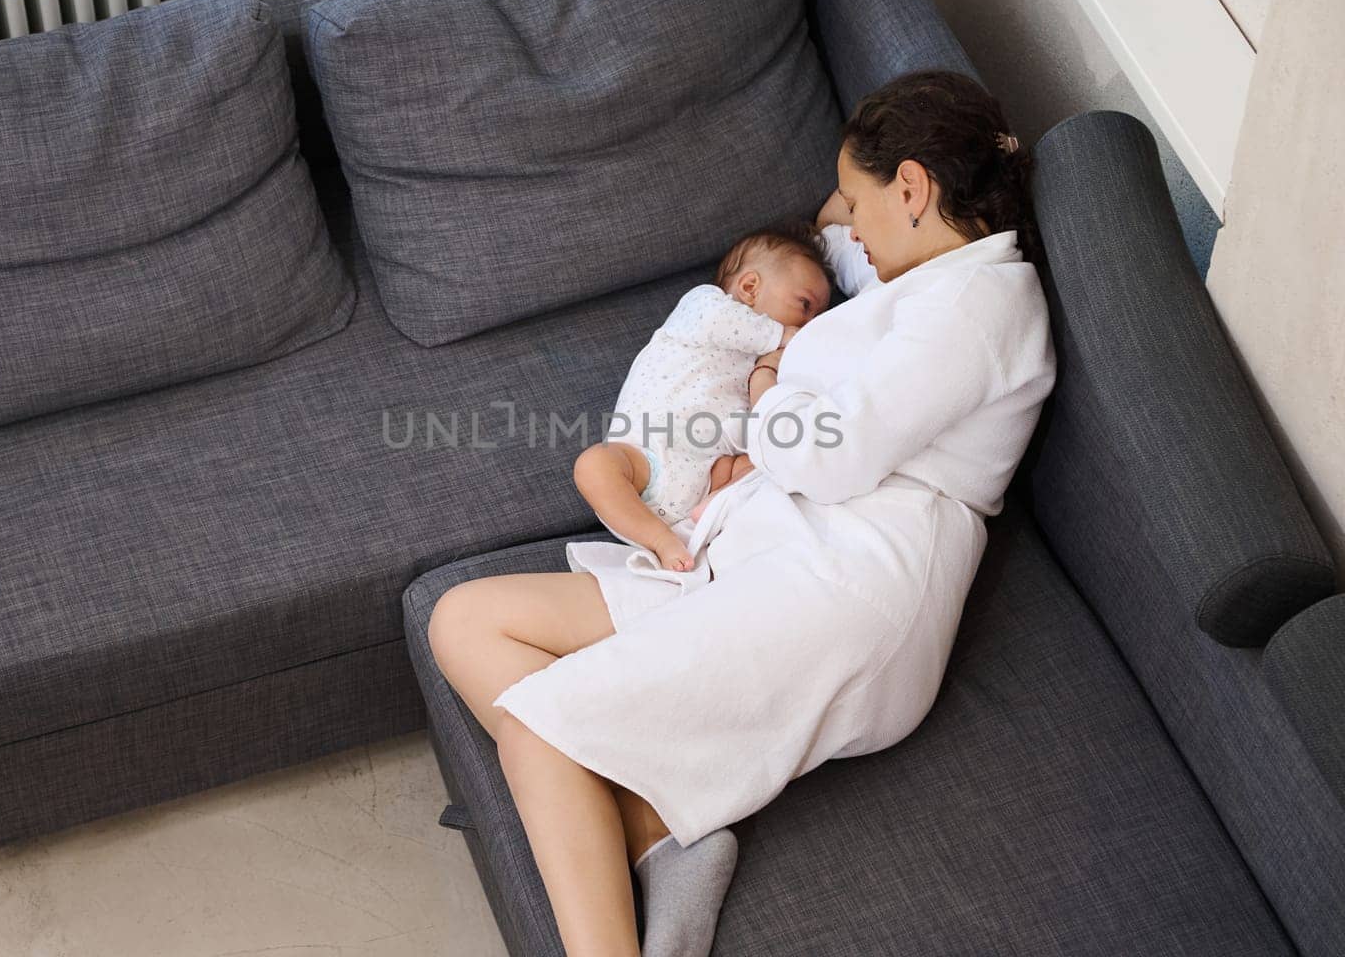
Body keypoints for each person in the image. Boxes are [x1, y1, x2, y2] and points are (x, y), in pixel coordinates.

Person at [427, 69, 1056, 957]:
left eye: (855, 199)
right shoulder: (921, 273)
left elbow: (828, 455)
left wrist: (766, 391)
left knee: (537, 729)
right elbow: (829, 251)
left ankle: (630, 839)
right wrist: (836, 236)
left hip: (846, 588)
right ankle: (656, 829)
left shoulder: (982, 309)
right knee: (464, 619)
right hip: (757, 552)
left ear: (912, 189)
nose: (846, 227)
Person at [573, 221, 833, 572]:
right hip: (647, 463)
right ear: (749, 287)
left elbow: (768, 417)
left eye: (816, 315)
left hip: (713, 473)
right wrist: (781, 335)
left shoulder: (768, 361)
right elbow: (721, 323)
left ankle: (705, 519)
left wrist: (770, 371)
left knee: (770, 465)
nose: (809, 324)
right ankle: (659, 538)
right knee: (595, 465)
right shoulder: (705, 305)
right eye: (805, 305)